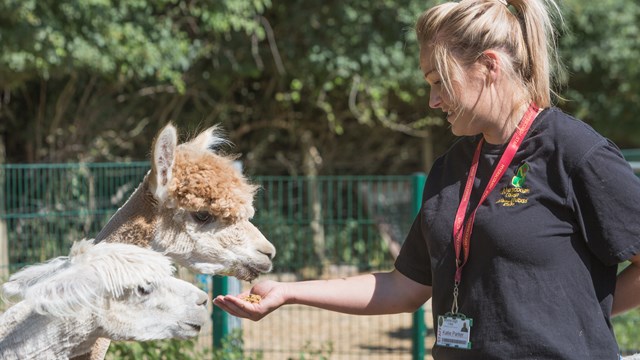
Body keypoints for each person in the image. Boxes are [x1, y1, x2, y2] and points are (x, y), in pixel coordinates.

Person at [213, 0, 640, 358]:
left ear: (488, 66)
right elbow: (403, 288)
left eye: (440, 82)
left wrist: (582, 310)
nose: (433, 101)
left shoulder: (575, 151)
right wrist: (289, 292)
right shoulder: (451, 167)